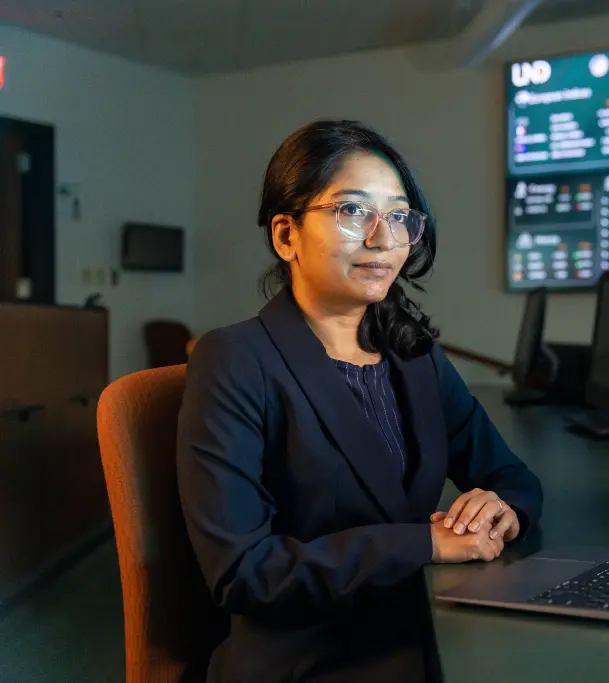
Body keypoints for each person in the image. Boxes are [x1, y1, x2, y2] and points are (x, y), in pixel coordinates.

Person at [177, 119, 544, 683]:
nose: (383, 238)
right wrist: (422, 543)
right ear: (286, 235)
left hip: (422, 626)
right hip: (311, 656)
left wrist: (503, 508)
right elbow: (243, 573)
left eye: (399, 216)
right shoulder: (235, 359)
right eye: (352, 211)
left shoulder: (413, 353)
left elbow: (511, 476)